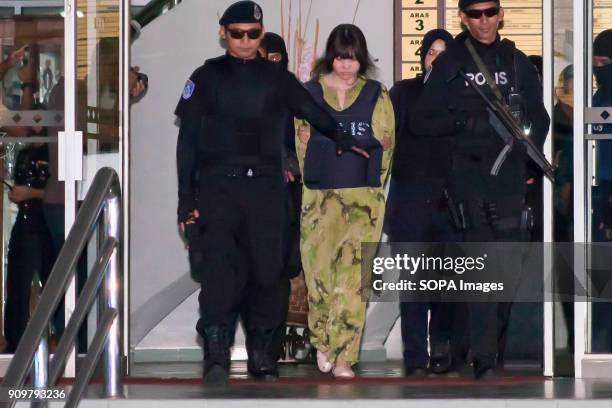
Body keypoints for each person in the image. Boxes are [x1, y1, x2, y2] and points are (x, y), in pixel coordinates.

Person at [174, 1, 365, 384]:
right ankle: (216, 356)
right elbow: (188, 141)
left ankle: (263, 353)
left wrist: (343, 136)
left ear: (261, 35)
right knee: (219, 274)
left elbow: (311, 108)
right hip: (218, 188)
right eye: (237, 34)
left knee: (269, 272)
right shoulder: (206, 76)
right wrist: (185, 199)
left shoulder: (276, 77)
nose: (246, 41)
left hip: (265, 187)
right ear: (223, 34)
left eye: (253, 34)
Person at [411, 0, 550, 378]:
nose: (484, 20)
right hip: (467, 177)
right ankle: (484, 358)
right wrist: (464, 121)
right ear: (462, 17)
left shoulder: (516, 62)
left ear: (501, 14)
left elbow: (539, 118)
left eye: (490, 12)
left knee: (506, 269)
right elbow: (421, 121)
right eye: (475, 14)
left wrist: (522, 153)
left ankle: (489, 351)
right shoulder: (451, 62)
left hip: (507, 178)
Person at [295, 23, 394, 378]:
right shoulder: (308, 93)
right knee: (319, 275)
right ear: (330, 57)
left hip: (363, 201)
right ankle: (323, 339)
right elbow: (301, 144)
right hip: (318, 200)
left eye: (353, 59)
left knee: (353, 281)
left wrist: (372, 191)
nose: (347, 65)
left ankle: (344, 357)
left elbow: (386, 145)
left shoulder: (377, 94)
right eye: (340, 57)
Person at [385, 28, 463, 376]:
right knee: (413, 286)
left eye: (444, 53)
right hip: (410, 200)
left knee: (448, 284)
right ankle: (415, 356)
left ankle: (441, 346)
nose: (437, 58)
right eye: (432, 52)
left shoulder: (463, 96)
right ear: (422, 56)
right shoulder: (403, 92)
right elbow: (389, 142)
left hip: (450, 203)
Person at [2, 54, 54, 353]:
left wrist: (29, 194)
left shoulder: (53, 154)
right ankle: (15, 343)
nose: (32, 127)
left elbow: (61, 191)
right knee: (16, 288)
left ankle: (59, 339)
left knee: (50, 285)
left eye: (37, 120)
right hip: (23, 226)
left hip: (44, 225)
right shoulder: (23, 154)